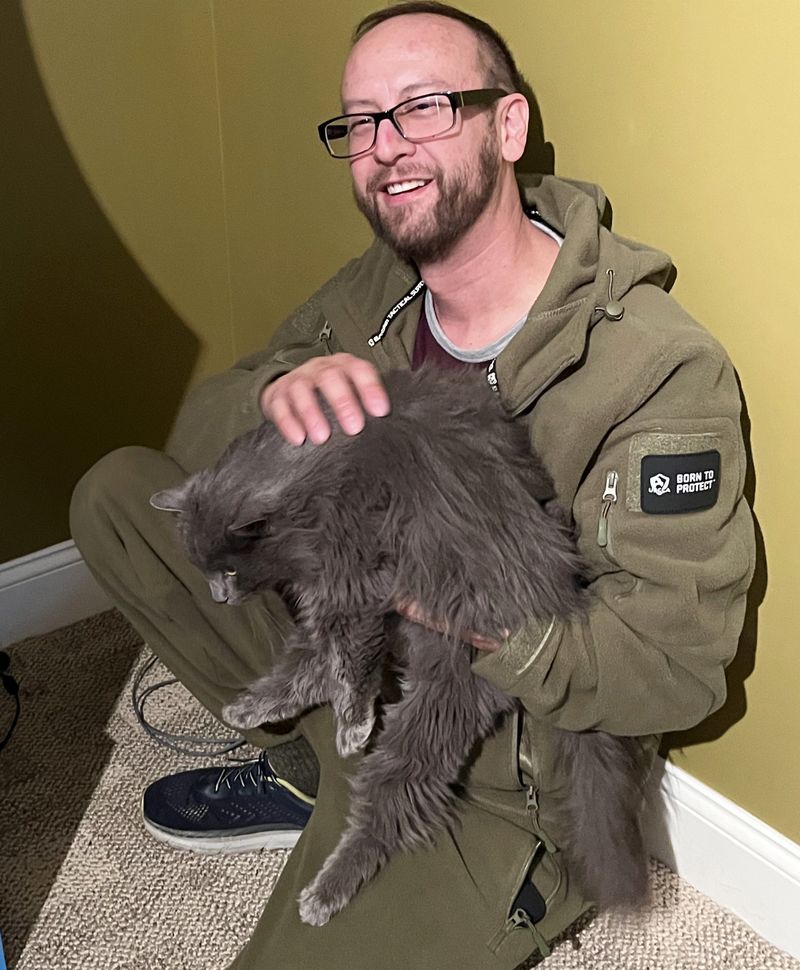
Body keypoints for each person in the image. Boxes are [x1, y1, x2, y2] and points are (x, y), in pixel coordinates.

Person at [70, 3, 755, 967]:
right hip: (357, 657)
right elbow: (195, 437)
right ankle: (314, 759)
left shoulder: (654, 370)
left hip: (496, 770)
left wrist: (455, 599)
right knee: (118, 497)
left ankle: (489, 875)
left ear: (506, 126)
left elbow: (674, 670)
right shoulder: (370, 293)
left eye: (424, 107)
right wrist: (277, 392)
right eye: (361, 121)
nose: (386, 147)